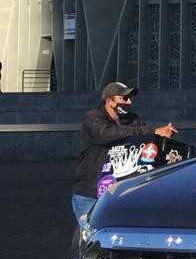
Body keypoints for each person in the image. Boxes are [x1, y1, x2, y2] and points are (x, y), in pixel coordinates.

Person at [72, 83, 176, 230]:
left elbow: (147, 142)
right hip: (91, 193)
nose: (129, 102)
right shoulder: (93, 117)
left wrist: (163, 138)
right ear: (110, 101)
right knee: (91, 234)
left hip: (122, 194)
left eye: (130, 98)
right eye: (124, 98)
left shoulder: (133, 120)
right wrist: (153, 131)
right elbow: (107, 134)